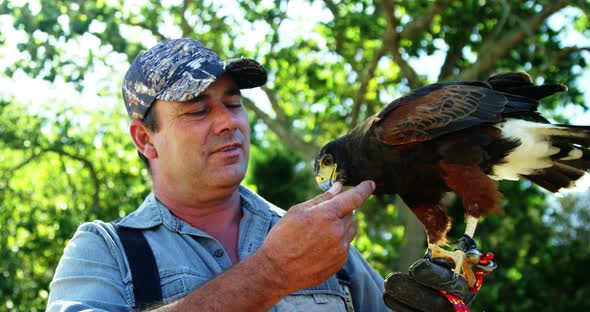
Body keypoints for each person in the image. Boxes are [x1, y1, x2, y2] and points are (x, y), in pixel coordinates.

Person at [47, 38, 476, 312]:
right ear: (144, 139)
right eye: (197, 110)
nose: (227, 122)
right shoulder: (106, 252)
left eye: (233, 104)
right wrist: (272, 272)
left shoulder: (318, 236)